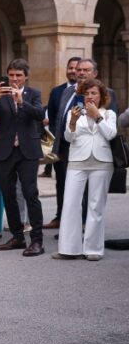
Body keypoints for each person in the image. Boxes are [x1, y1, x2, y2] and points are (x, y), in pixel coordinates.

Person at [48, 58, 119, 230]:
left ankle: (87, 226)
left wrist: (96, 115)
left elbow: (110, 127)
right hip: (67, 147)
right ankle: (69, 226)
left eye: (86, 70)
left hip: (95, 153)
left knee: (90, 194)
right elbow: (57, 119)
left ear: (95, 73)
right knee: (66, 188)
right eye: (78, 69)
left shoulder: (107, 93)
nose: (80, 73)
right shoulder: (67, 92)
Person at [0, 59, 47, 257]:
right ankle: (17, 237)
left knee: (31, 194)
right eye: (11, 75)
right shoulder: (0, 95)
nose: (14, 79)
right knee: (8, 195)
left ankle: (37, 240)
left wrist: (22, 102)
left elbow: (39, 115)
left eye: (18, 75)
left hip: (27, 151)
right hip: (5, 151)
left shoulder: (34, 94)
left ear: (26, 77)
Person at [55, 79, 116, 261]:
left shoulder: (109, 114)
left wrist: (97, 116)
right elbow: (68, 137)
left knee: (95, 206)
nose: (90, 97)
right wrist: (72, 121)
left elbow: (110, 134)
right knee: (70, 204)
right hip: (77, 161)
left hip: (102, 162)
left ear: (102, 96)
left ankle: (93, 249)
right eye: (87, 93)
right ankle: (68, 248)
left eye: (94, 93)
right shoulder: (76, 114)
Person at [43, 57, 81, 179]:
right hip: (60, 145)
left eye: (76, 68)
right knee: (61, 181)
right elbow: (53, 117)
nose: (73, 71)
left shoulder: (86, 90)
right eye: (70, 68)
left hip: (78, 144)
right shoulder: (57, 91)